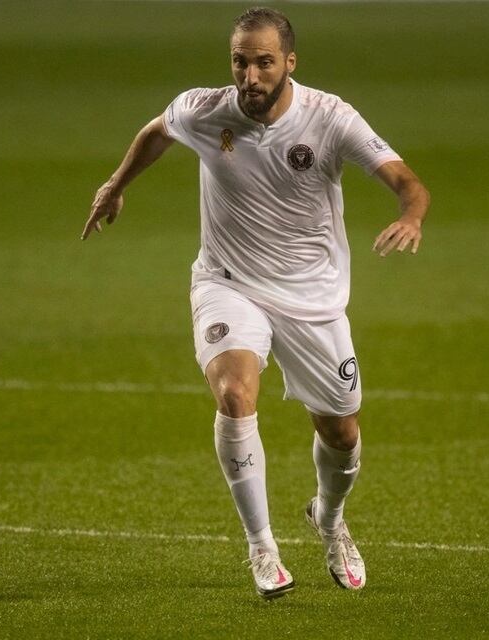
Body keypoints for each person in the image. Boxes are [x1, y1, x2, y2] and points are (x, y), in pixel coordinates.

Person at [81, 7, 430, 599]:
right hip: (227, 282)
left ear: (289, 63)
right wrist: (115, 185)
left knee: (342, 432)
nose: (250, 75)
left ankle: (329, 518)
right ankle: (262, 548)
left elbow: (408, 181)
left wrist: (411, 215)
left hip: (312, 299)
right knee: (235, 393)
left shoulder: (330, 118)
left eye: (264, 62)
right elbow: (156, 132)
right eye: (240, 61)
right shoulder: (205, 108)